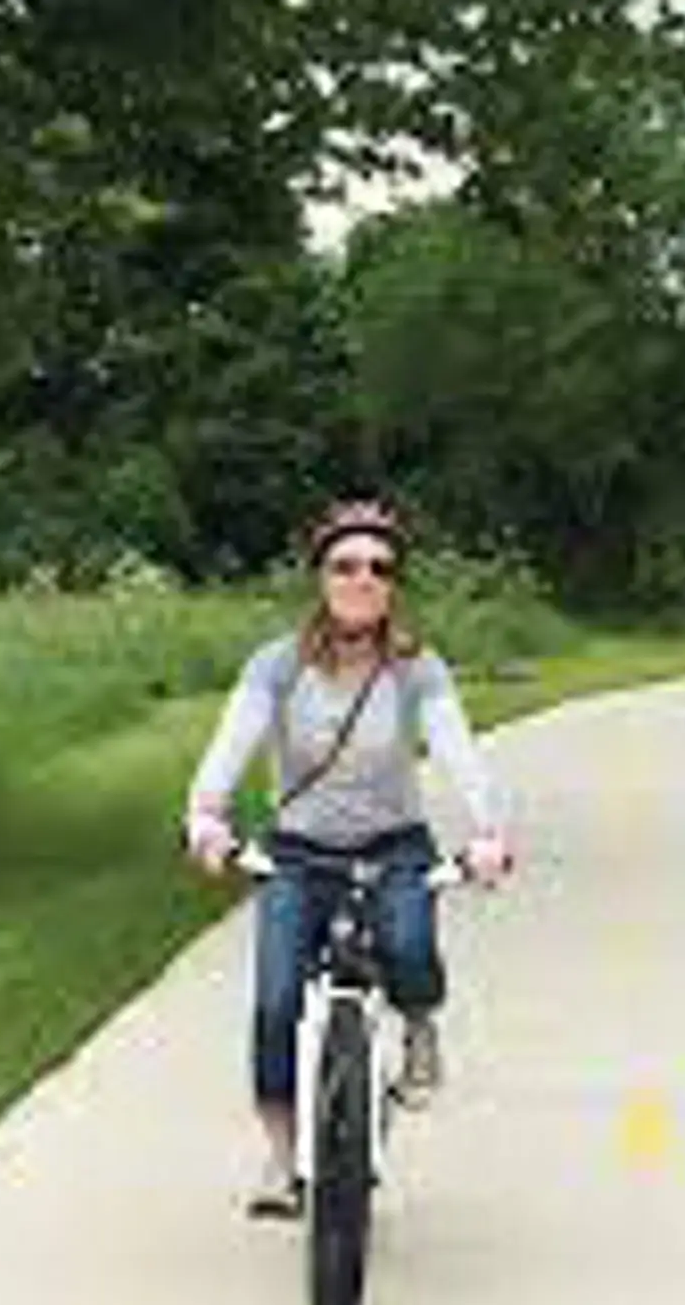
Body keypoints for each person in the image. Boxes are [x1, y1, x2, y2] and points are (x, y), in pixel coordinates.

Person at [182, 498, 514, 1217]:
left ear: (394, 583)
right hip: (296, 855)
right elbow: (232, 744)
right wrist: (205, 816)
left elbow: (458, 751)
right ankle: (280, 1156)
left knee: (410, 948)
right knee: (275, 1003)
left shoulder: (415, 667)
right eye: (345, 565)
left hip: (393, 848)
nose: (362, 578)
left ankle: (419, 1024)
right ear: (320, 578)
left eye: (380, 567)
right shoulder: (277, 665)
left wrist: (489, 831)